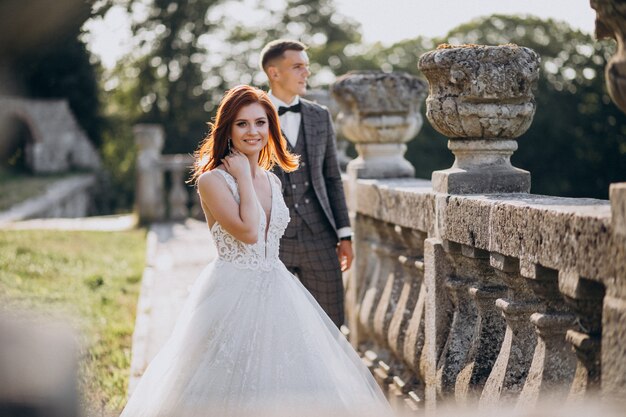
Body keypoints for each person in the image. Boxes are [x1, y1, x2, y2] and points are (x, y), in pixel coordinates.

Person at [118, 85, 392, 417]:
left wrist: (251, 175)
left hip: (279, 287)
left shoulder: (273, 180)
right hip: (232, 290)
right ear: (228, 130)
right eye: (242, 124)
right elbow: (248, 233)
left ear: (270, 128)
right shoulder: (212, 181)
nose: (253, 132)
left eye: (260, 123)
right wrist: (244, 179)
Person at [260, 39, 353, 328]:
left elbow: (332, 177)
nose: (306, 73)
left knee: (331, 321)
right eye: (297, 66)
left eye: (306, 67)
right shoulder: (253, 115)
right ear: (274, 73)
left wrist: (345, 234)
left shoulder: (320, 115)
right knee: (274, 323)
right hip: (271, 237)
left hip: (320, 235)